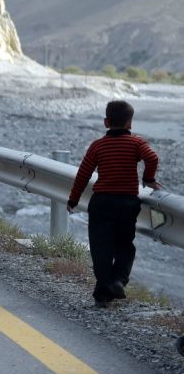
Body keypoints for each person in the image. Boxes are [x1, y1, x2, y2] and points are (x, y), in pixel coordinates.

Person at [67, 100, 161, 307]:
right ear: (130, 123)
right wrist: (148, 179)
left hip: (101, 202)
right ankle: (118, 280)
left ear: (106, 122)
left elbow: (83, 174)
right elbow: (152, 158)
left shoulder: (98, 146)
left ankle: (102, 293)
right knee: (124, 245)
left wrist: (73, 199)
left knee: (101, 248)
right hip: (127, 202)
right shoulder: (136, 143)